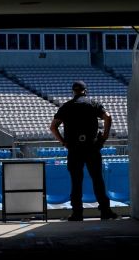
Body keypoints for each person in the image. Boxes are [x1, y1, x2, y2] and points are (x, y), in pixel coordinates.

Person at [50, 80, 119, 221]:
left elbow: (53, 127)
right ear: (85, 91)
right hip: (92, 147)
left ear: (73, 92)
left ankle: (77, 213)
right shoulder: (93, 104)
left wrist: (63, 142)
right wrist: (104, 136)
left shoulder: (67, 107)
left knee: (76, 181)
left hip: (74, 149)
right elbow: (108, 116)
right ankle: (105, 211)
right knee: (97, 179)